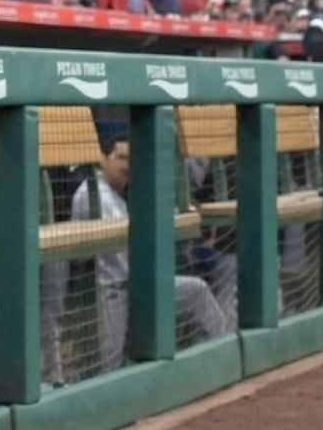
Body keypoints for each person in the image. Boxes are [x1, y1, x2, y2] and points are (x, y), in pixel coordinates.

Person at [73, 134, 232, 371]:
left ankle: (226, 354)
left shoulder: (119, 192)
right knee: (110, 361)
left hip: (143, 285)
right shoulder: (92, 193)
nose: (127, 166)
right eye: (121, 158)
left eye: (131, 160)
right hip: (112, 288)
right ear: (103, 159)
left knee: (197, 290)